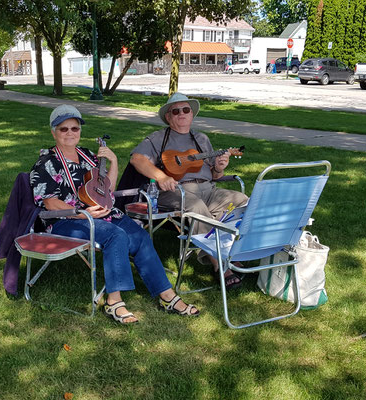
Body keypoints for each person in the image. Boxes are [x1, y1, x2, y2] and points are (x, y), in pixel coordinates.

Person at [30, 104, 199, 324]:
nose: (70, 133)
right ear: (53, 132)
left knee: (139, 235)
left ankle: (166, 295)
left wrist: (114, 160)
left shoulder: (88, 156)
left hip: (101, 213)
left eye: (75, 128)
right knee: (115, 235)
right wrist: (83, 214)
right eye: (64, 129)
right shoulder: (46, 163)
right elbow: (51, 204)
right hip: (66, 219)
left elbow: (107, 189)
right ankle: (114, 302)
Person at [130, 92, 249, 289]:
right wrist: (161, 176)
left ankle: (234, 251)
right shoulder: (159, 138)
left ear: (192, 114)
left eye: (186, 110)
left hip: (208, 189)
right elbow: (137, 159)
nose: (181, 114)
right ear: (168, 117)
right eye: (175, 111)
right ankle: (219, 265)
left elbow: (215, 176)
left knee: (241, 200)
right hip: (175, 191)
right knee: (195, 206)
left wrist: (219, 167)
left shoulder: (201, 139)